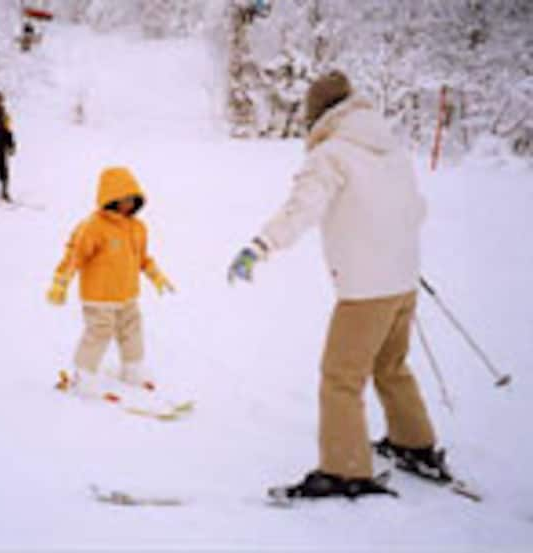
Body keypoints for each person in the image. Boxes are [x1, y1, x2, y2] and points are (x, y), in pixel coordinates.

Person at [228, 70, 447, 499]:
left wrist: (259, 246)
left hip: (366, 291)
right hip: (402, 283)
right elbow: (415, 210)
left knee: (340, 378)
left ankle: (345, 470)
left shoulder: (331, 155)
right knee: (391, 366)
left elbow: (301, 209)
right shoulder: (390, 151)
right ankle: (413, 443)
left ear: (319, 114)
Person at [47, 167, 174, 394]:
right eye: (121, 199)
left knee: (132, 329)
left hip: (127, 294)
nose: (127, 204)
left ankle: (132, 368)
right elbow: (74, 254)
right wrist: (61, 282)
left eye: (132, 199)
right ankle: (84, 374)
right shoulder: (94, 227)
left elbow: (142, 258)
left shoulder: (138, 228)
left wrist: (156, 276)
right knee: (99, 333)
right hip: (99, 296)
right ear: (109, 199)